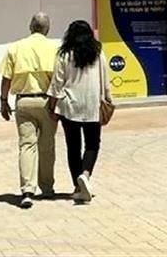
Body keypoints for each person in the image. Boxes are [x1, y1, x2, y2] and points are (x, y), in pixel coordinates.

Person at [46, 19, 112, 204]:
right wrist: (108, 99)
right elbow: (105, 79)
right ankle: (85, 174)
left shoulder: (64, 54)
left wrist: (52, 104)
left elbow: (57, 82)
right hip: (92, 104)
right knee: (92, 144)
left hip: (70, 106)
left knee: (73, 147)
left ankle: (77, 184)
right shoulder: (98, 53)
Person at [0, 12, 58, 209]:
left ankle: (27, 190)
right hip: (47, 102)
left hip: (23, 102)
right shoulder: (54, 48)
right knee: (47, 146)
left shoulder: (15, 48)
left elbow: (6, 78)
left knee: (26, 145)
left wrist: (3, 101)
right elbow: (59, 79)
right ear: (47, 29)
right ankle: (47, 189)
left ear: (30, 27)